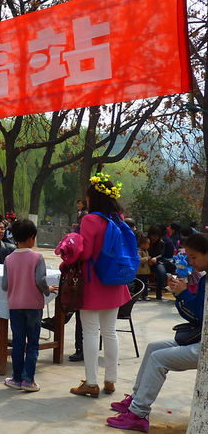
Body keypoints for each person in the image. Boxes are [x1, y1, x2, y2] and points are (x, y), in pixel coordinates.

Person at [106, 232, 206, 433]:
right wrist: (181, 295)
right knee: (153, 348)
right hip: (199, 340)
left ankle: (138, 414)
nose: (191, 262)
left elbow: (200, 316)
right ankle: (136, 399)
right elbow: (195, 315)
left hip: (203, 348)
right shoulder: (204, 279)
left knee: (159, 359)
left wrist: (184, 294)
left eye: (194, 257)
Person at [69, 174, 131, 398]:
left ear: (92, 197)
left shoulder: (90, 220)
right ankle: (110, 381)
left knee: (90, 333)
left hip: (93, 281)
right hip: (114, 281)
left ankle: (92, 383)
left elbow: (85, 253)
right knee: (110, 332)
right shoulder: (119, 218)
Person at [2, 219, 57, 392]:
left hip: (15, 306)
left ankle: (16, 378)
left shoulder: (8, 259)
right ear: (31, 238)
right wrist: (48, 290)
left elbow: (4, 285)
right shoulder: (37, 257)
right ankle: (29, 380)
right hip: (33, 305)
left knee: (18, 342)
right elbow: (40, 280)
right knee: (33, 343)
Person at [147, 225, 167, 301]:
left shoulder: (161, 243)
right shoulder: (145, 240)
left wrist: (156, 258)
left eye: (156, 236)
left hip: (157, 262)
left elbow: (162, 254)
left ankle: (159, 293)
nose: (154, 238)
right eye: (153, 235)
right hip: (145, 261)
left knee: (162, 272)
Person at [135, 232, 151, 301]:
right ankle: (138, 295)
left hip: (146, 271)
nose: (149, 246)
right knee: (139, 284)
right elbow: (139, 260)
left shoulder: (146, 251)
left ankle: (145, 295)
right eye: (148, 244)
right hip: (140, 272)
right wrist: (147, 258)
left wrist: (150, 261)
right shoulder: (138, 251)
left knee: (146, 284)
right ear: (142, 244)